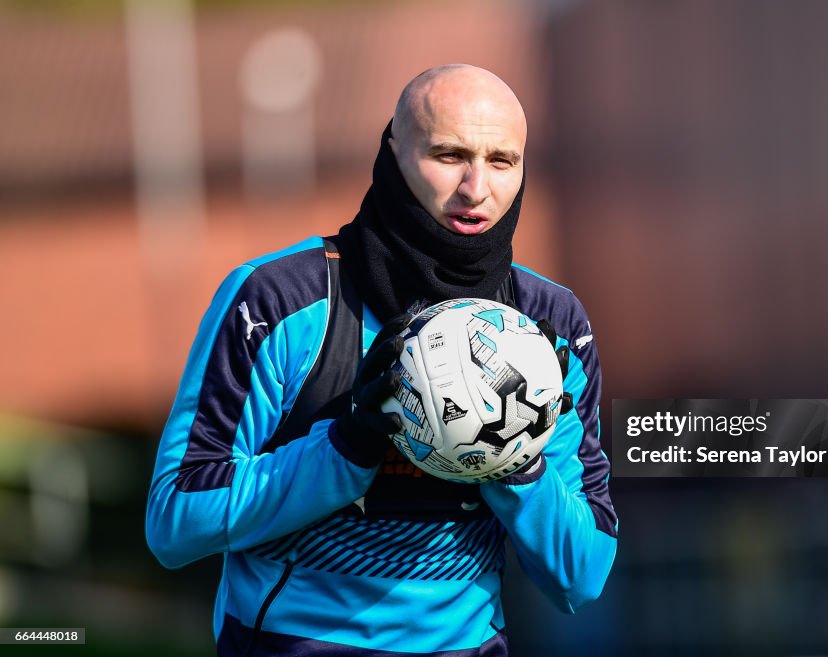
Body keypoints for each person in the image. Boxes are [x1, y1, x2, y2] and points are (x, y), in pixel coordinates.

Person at [146, 64, 617, 657]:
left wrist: (512, 462)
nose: (476, 188)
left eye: (502, 161)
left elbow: (583, 575)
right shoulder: (275, 300)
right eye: (448, 155)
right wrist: (344, 450)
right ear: (393, 154)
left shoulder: (553, 326)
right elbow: (174, 521)